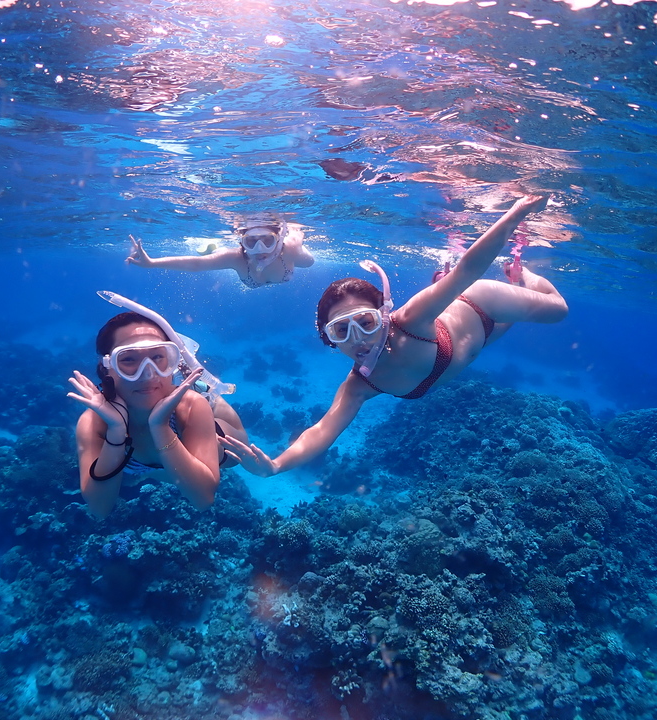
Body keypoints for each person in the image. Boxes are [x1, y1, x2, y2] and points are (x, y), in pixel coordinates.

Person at [221, 195, 568, 477]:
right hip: (478, 341)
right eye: (341, 330)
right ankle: (475, 283)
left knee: (558, 310)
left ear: (384, 317)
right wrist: (275, 466)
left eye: (366, 322)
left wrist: (515, 215)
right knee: (504, 320)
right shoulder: (358, 385)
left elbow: (468, 271)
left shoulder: (410, 320)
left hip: (479, 304)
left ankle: (523, 276)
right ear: (329, 339)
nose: (358, 338)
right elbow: (322, 431)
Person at [67, 294, 247, 518]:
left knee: (234, 450)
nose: (148, 374)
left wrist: (161, 427)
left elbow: (203, 500)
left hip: (219, 438)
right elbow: (99, 509)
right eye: (128, 359)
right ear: (107, 367)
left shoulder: (190, 406)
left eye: (158, 357)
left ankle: (204, 388)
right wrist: (116, 431)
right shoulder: (96, 422)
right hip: (166, 468)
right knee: (158, 471)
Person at [125, 222, 315, 288]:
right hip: (229, 257)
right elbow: (197, 264)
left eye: (268, 241)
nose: (260, 249)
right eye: (251, 242)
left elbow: (309, 262)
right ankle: (213, 247)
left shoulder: (290, 250)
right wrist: (152, 263)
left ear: (279, 240)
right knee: (219, 255)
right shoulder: (236, 258)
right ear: (242, 243)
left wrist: (297, 248)